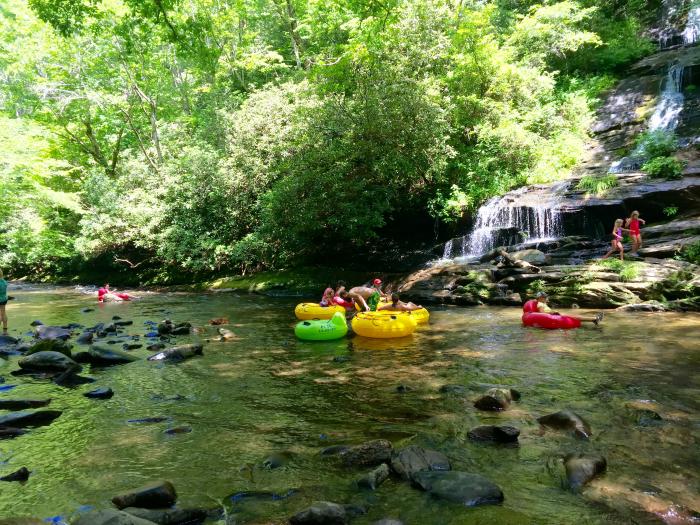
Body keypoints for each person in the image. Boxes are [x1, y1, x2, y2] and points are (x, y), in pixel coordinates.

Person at [532, 291, 602, 325]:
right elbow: (542, 313)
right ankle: (594, 319)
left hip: (554, 315)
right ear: (540, 298)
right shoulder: (540, 304)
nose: (546, 298)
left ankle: (593, 319)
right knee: (575, 317)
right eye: (545, 297)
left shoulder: (542, 303)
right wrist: (551, 312)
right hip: (553, 316)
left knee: (574, 316)